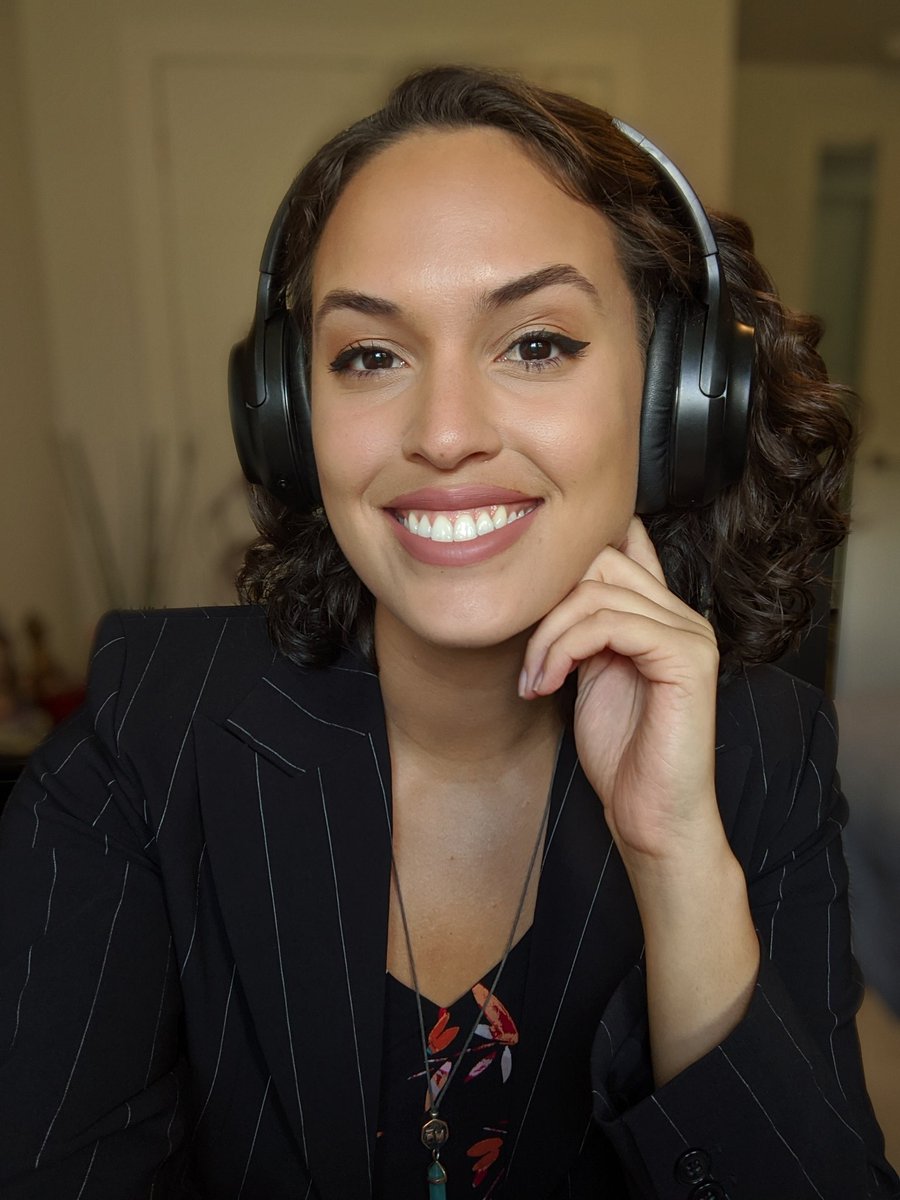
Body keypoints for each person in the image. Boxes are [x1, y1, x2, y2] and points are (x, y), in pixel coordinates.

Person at [0, 65, 896, 1200]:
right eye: (370, 356)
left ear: (673, 399)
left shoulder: (767, 756)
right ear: (288, 417)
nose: (445, 434)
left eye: (536, 344)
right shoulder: (143, 739)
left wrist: (676, 865)